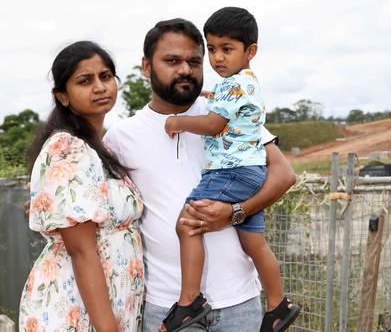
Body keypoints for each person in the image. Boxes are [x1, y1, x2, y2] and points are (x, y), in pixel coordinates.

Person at [103, 18, 297, 332]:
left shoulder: (224, 110)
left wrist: (235, 212)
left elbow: (283, 174)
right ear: (146, 67)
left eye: (194, 61)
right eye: (172, 61)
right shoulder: (120, 138)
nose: (185, 70)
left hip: (238, 302)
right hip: (166, 303)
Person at [161, 7, 300, 332]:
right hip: (252, 171)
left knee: (187, 225)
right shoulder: (243, 83)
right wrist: (213, 95)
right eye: (211, 49)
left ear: (250, 51)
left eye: (227, 49)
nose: (217, 57)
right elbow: (230, 108)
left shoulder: (233, 85)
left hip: (230, 172)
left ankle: (189, 301)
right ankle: (279, 304)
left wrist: (178, 121)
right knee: (254, 243)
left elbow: (213, 124)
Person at [20, 41, 145, 331]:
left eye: (105, 76)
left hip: (109, 305)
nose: (100, 87)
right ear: (62, 96)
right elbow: (82, 250)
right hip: (78, 308)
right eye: (85, 81)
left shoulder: (99, 147)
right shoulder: (67, 147)